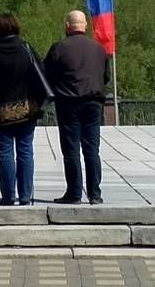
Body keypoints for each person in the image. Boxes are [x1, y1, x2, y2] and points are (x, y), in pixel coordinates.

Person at [0, 13, 50, 206]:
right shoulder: (25, 48)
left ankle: (8, 196)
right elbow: (41, 74)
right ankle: (26, 195)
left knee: (4, 153)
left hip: (0, 111)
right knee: (25, 152)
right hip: (26, 110)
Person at [44, 11, 108, 204]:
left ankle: (74, 193)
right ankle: (95, 194)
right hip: (93, 104)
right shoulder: (99, 49)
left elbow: (46, 74)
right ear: (85, 25)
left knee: (71, 150)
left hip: (68, 103)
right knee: (92, 150)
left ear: (67, 26)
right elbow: (106, 77)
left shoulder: (59, 48)